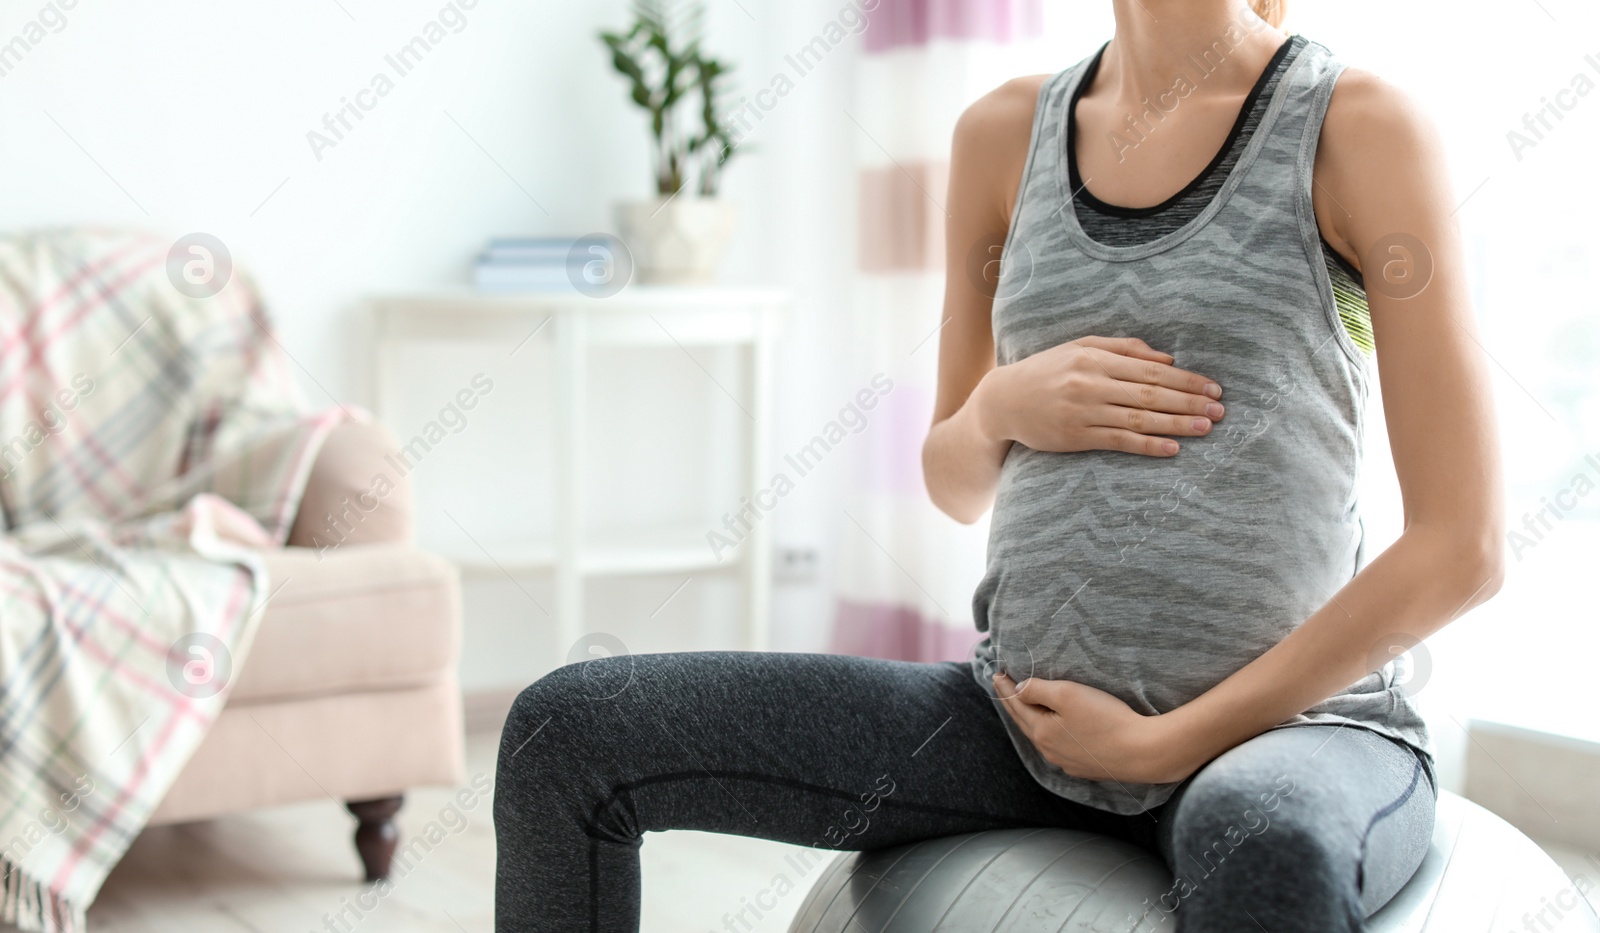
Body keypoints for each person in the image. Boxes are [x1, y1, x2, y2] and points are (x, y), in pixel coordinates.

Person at [493, 1, 1504, 930]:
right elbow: (951, 476)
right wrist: (997, 409)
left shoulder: (1355, 125)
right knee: (565, 734)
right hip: (1021, 728)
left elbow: (1462, 547)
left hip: (1292, 735)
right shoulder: (1002, 132)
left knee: (1265, 848)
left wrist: (1163, 744)